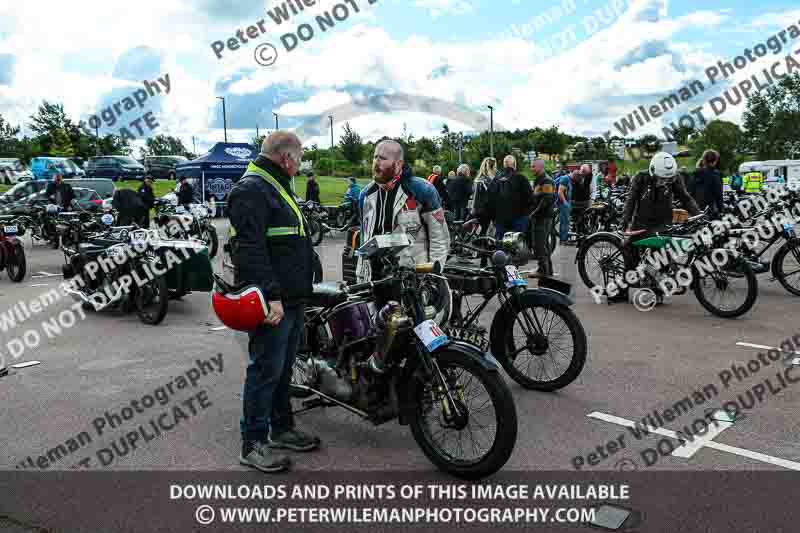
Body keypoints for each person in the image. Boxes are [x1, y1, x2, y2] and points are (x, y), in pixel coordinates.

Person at [227, 131, 320, 474]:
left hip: (292, 298)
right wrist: (272, 297)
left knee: (282, 369)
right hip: (275, 301)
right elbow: (249, 251)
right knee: (265, 370)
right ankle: (252, 443)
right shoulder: (252, 189)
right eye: (299, 157)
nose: (300, 163)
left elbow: (287, 239)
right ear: (286, 158)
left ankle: (281, 429)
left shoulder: (275, 185)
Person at [356, 139, 450, 372]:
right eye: (374, 157)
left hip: (412, 279)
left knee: (417, 336)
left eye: (382, 158)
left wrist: (434, 273)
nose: (376, 162)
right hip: (377, 280)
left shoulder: (421, 190)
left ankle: (422, 383)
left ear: (398, 163)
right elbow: (365, 234)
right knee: (382, 337)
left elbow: (439, 237)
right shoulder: (365, 194)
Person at [487, 155, 532, 240]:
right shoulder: (521, 178)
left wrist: (494, 218)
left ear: (504, 165)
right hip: (518, 218)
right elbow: (530, 197)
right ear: (514, 165)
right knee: (517, 244)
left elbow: (489, 200)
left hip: (500, 220)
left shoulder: (496, 180)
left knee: (500, 245)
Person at [529, 159, 555, 275]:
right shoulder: (539, 180)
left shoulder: (547, 181)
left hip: (543, 217)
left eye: (533, 166)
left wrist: (534, 213)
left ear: (540, 167)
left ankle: (544, 271)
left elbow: (547, 200)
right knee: (543, 245)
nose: (531, 169)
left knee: (540, 245)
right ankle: (546, 269)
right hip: (540, 217)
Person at [688, 149, 723, 219]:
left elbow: (690, 191)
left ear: (703, 160)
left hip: (696, 209)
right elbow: (718, 194)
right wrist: (721, 209)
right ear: (715, 161)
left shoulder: (695, 174)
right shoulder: (715, 174)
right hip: (710, 209)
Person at [468, 157, 497, 236]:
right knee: (484, 233)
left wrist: (473, 210)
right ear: (493, 167)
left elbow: (475, 197)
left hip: (482, 211)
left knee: (481, 232)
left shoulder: (480, 180)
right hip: (486, 211)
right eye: (495, 167)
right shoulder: (488, 180)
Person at [571, 164, 594, 236]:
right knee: (579, 219)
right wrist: (582, 171)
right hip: (577, 202)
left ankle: (580, 232)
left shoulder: (587, 177)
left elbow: (590, 174)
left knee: (583, 219)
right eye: (583, 171)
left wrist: (584, 169)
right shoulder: (576, 175)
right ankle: (578, 232)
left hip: (583, 202)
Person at [557, 170, 576, 245]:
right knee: (564, 222)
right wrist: (565, 203)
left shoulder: (569, 179)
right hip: (563, 204)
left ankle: (564, 239)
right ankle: (563, 240)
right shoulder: (565, 179)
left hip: (567, 203)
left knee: (566, 222)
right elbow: (560, 192)